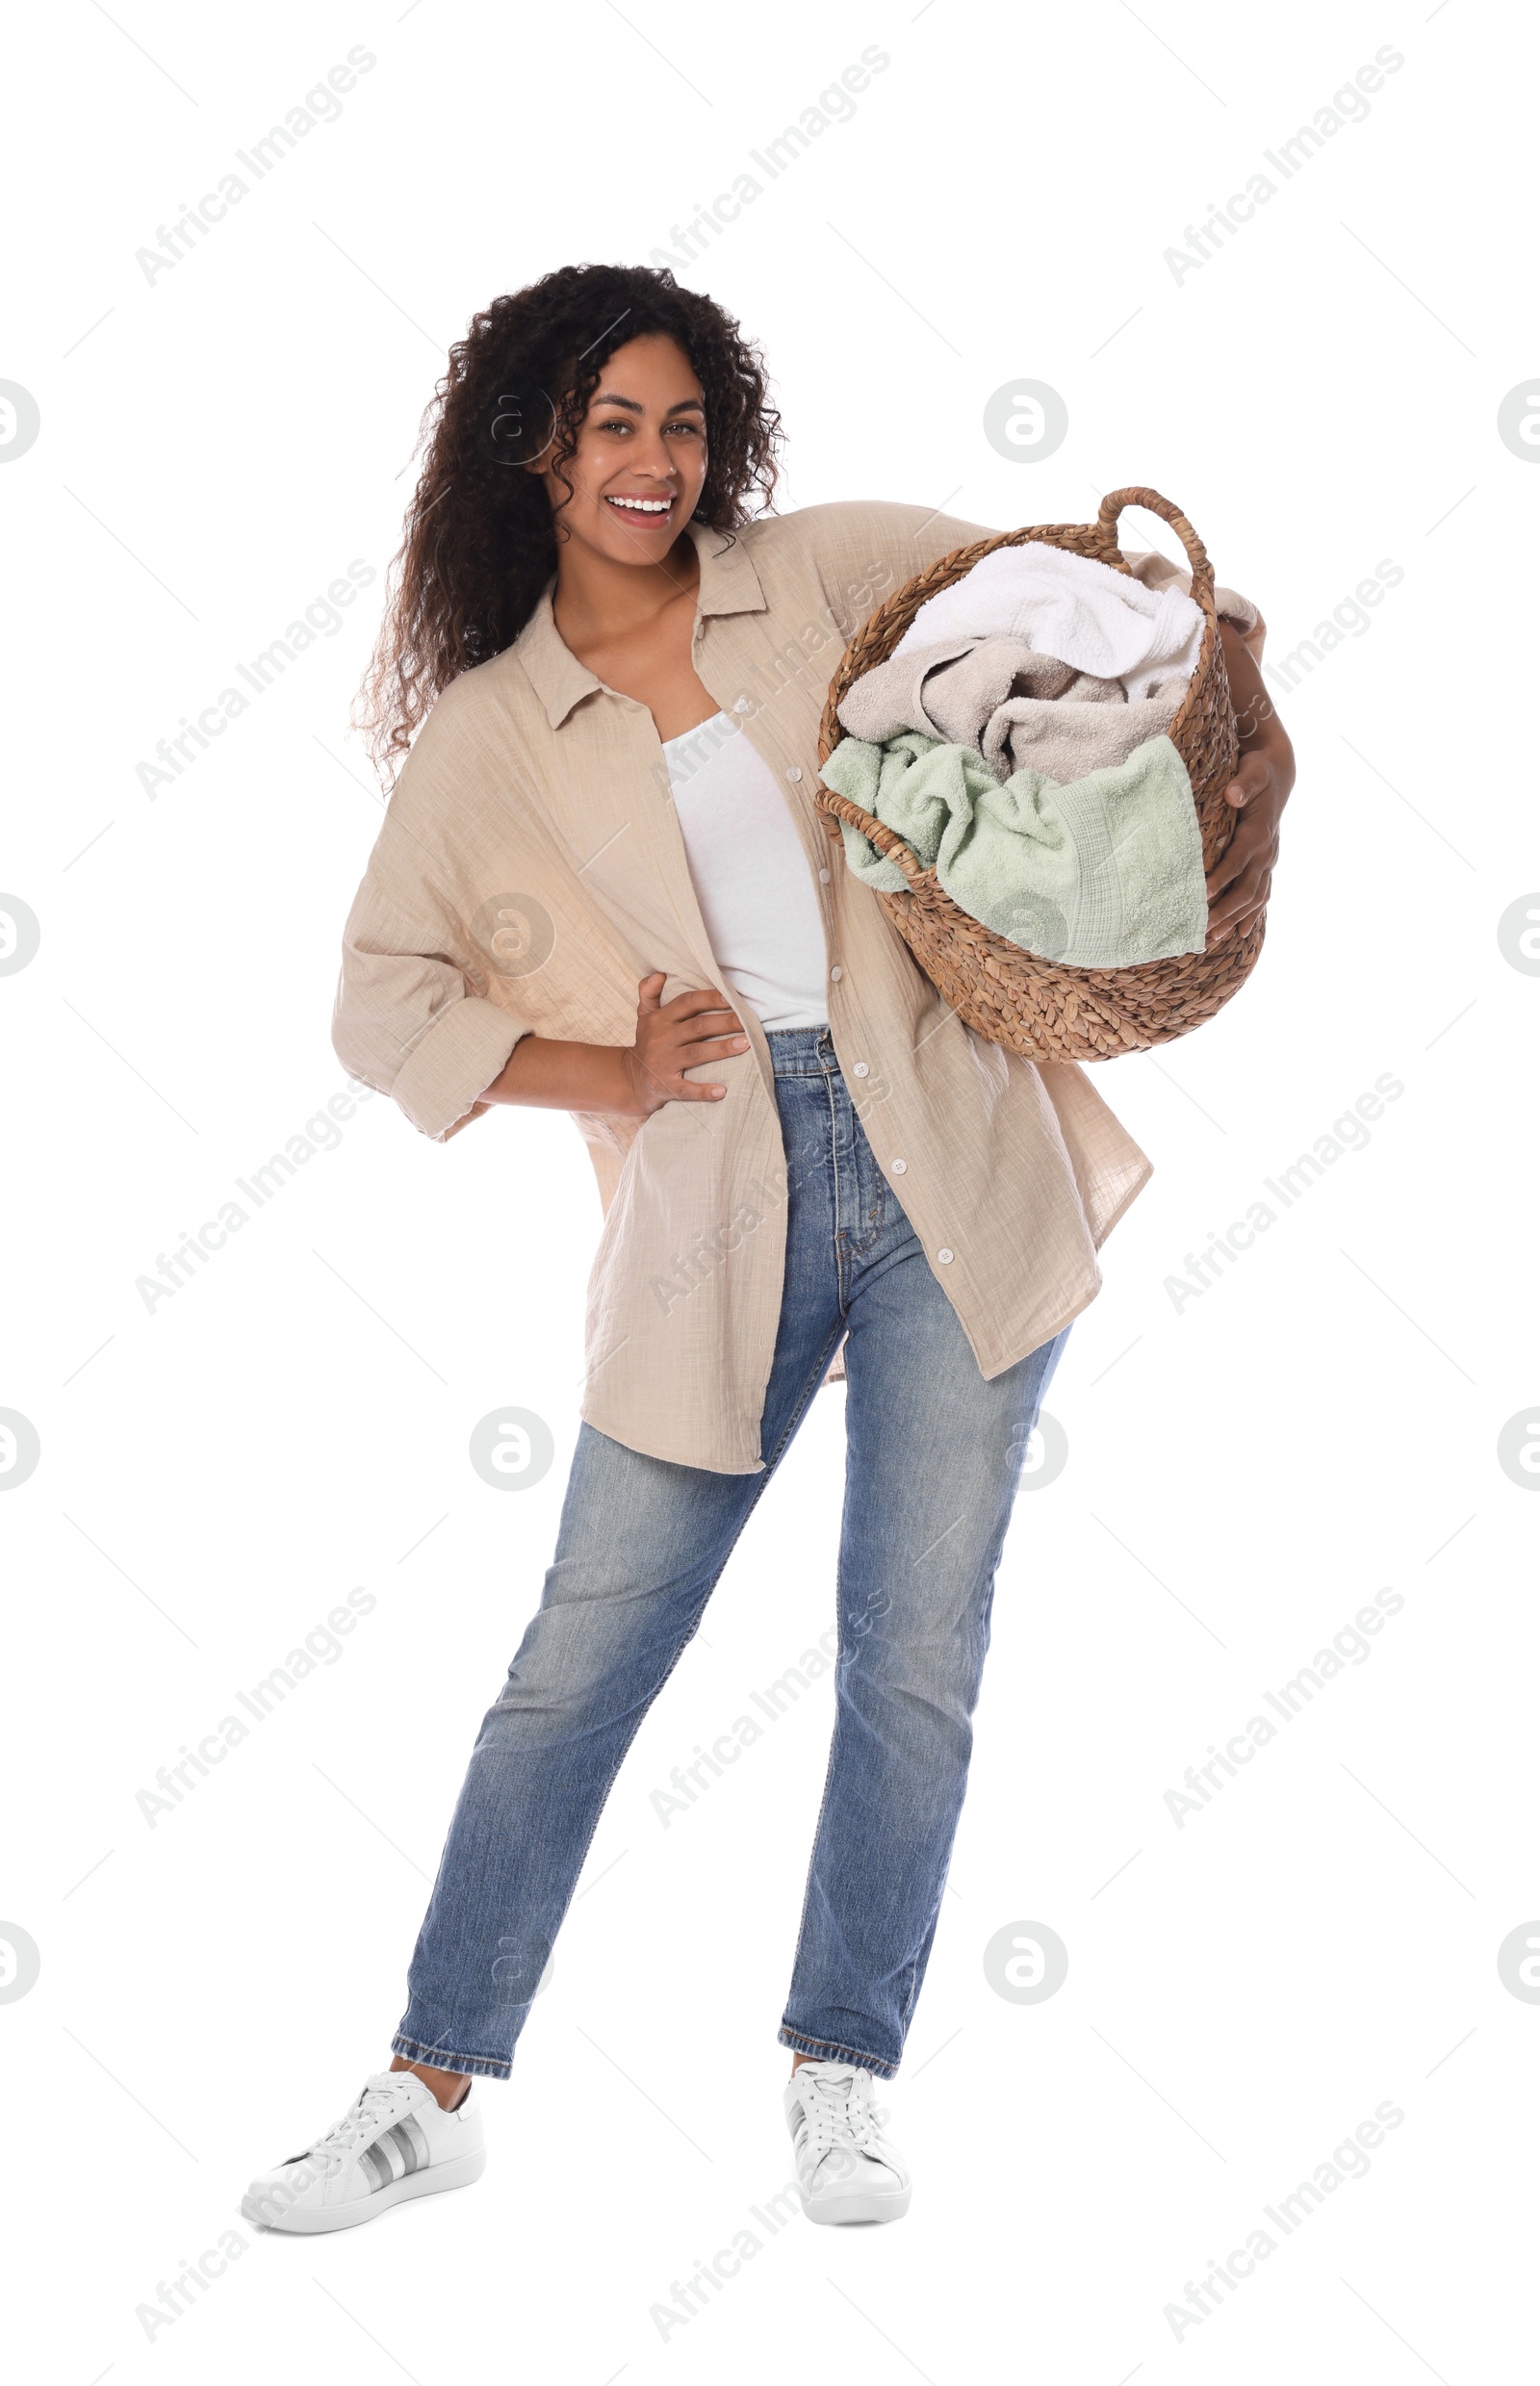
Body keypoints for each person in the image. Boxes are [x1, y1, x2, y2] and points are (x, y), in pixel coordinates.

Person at [242, 262, 1292, 2236]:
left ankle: (843, 2068)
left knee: (914, 1653)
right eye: (609, 424)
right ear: (533, 451)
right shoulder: (491, 732)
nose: (652, 461)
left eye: (681, 422)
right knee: (579, 1663)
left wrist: (1196, 688)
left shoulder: (814, 578)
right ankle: (431, 2080)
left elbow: (1058, 609)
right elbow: (380, 1008)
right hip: (709, 1209)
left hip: (948, 1160)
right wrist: (599, 1062)